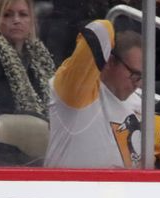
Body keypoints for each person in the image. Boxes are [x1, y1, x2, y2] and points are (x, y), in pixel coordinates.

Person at [44, 20, 143, 168]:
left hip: (122, 189)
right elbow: (100, 30)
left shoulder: (138, 102)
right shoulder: (77, 91)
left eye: (142, 77)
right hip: (69, 189)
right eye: (134, 74)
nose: (138, 83)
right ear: (110, 61)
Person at [0, 0, 55, 122]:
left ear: (32, 20)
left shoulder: (40, 58)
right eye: (7, 15)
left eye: (23, 14)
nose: (16, 20)